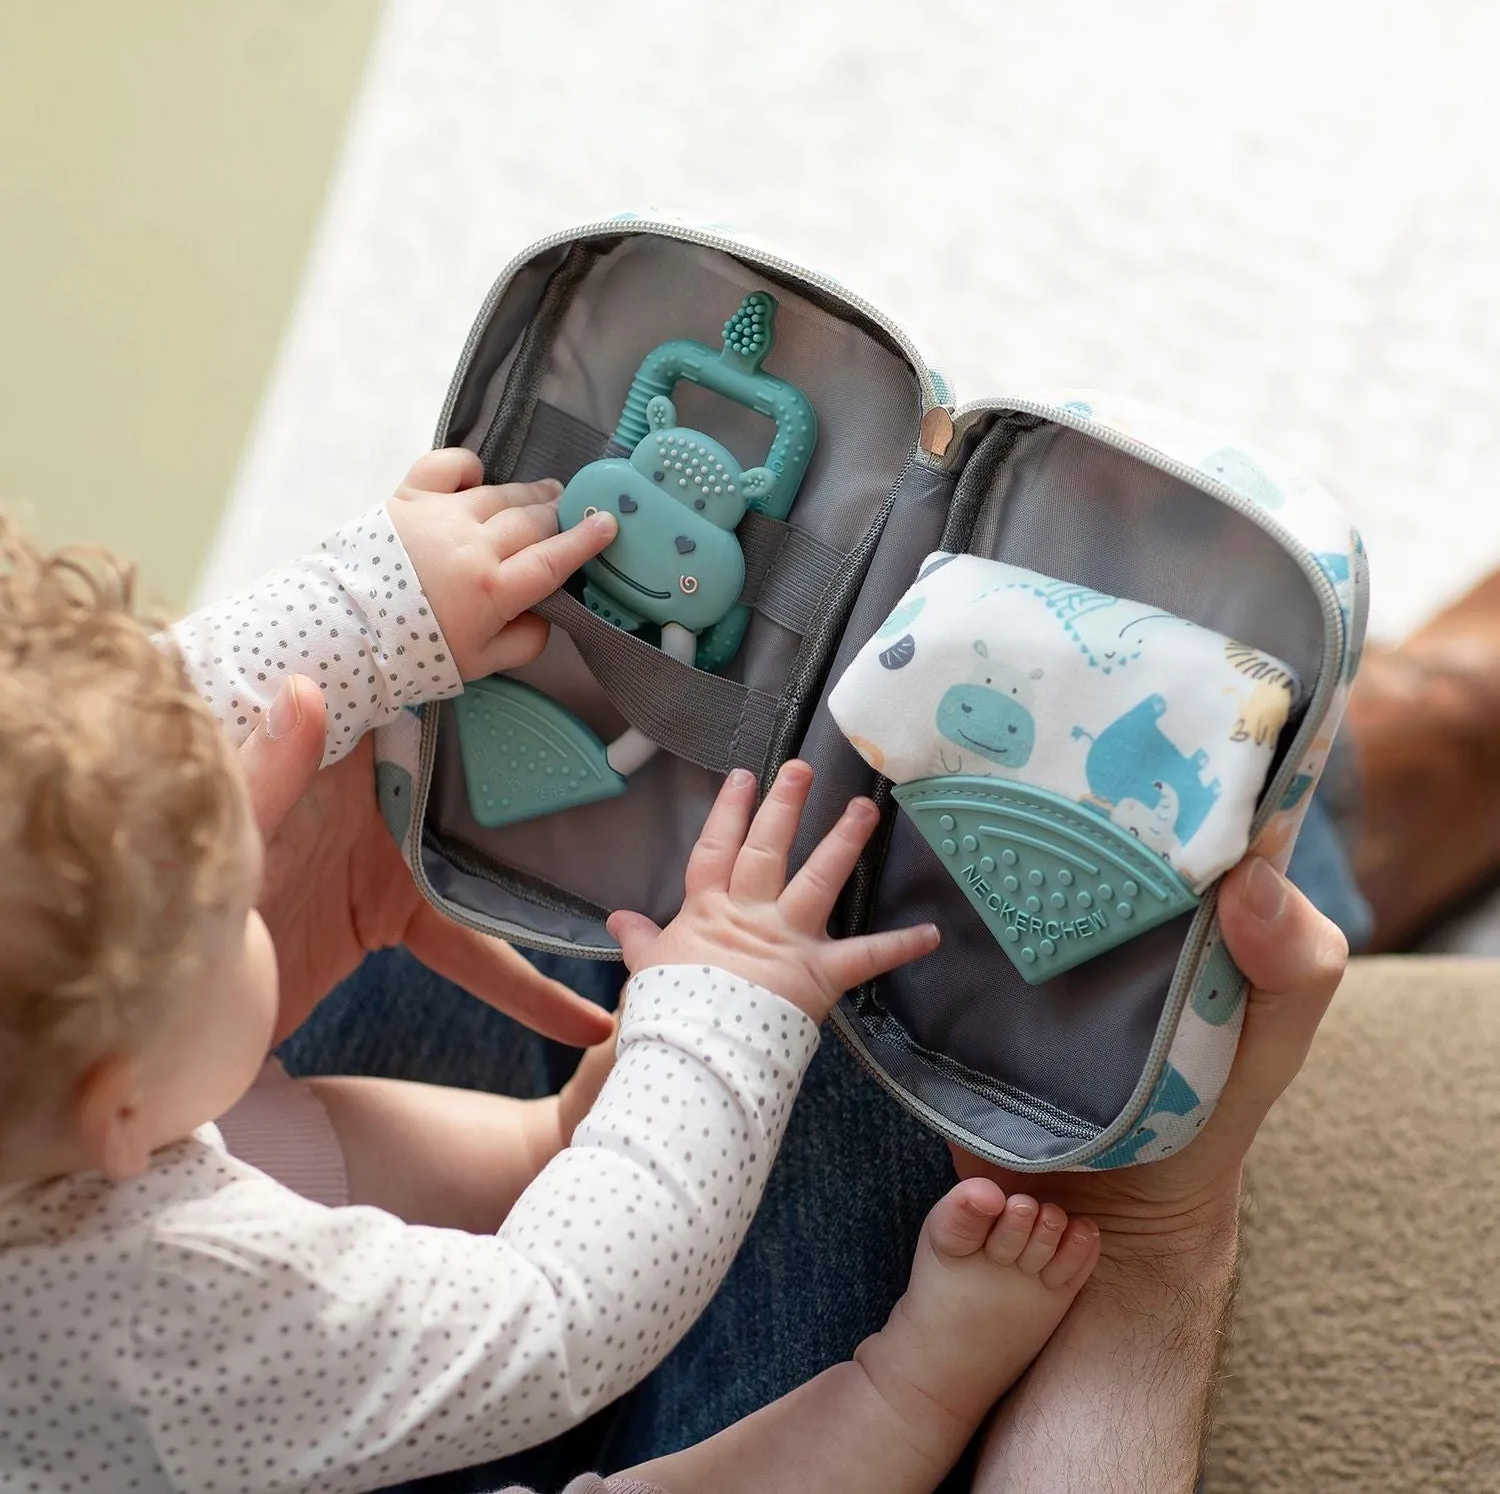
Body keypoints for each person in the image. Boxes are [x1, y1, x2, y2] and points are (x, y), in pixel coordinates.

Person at [0, 465, 1115, 1494]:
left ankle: (551, 1149)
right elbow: (559, 1323)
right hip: (224, 1403)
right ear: (117, 1111)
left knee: (263, 1119)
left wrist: (373, 601)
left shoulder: (56, 1120)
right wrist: (723, 1013)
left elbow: (78, 736)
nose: (258, 837)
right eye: (232, 896)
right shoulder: (162, 1302)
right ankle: (906, 1392)